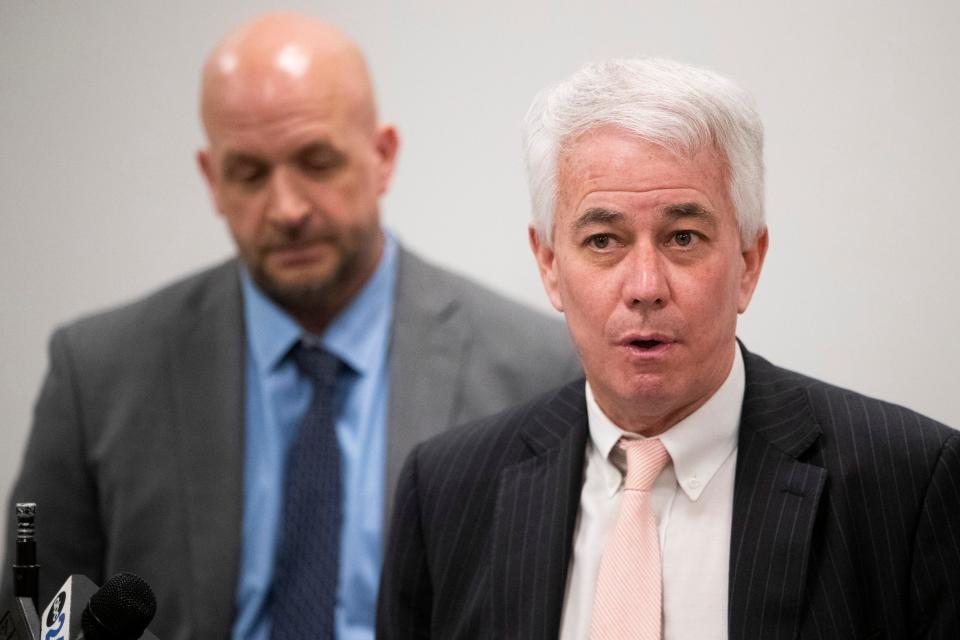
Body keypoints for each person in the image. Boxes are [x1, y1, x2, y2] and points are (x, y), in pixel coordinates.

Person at [1, 12, 580, 640]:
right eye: (249, 173)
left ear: (382, 157)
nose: (287, 208)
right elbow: (28, 619)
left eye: (317, 162)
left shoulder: (537, 369)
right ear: (211, 180)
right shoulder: (99, 375)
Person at [377, 58, 960, 639]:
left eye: (684, 238)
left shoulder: (908, 483)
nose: (645, 288)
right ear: (549, 265)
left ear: (748, 264)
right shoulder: (446, 490)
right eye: (603, 240)